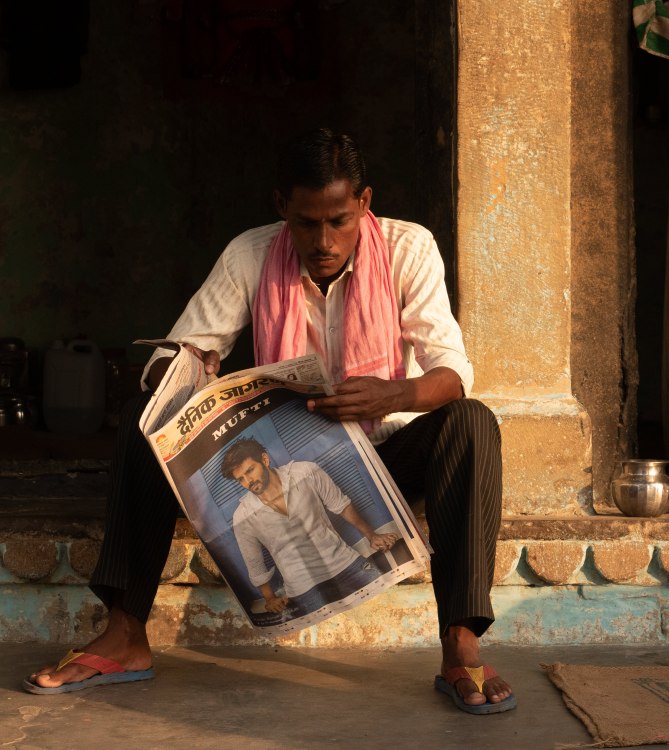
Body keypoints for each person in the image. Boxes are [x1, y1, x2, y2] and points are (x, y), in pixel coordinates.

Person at [24, 129, 515, 714]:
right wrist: (188, 374)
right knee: (142, 420)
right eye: (308, 223)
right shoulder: (250, 254)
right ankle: (126, 634)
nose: (324, 241)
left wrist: (391, 395)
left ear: (364, 202)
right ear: (282, 206)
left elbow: (452, 374)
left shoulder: (409, 248)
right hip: (273, 468)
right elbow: (171, 356)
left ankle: (460, 641)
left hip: (380, 464)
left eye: (339, 220)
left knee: (472, 421)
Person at [222, 437, 396, 614]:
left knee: (389, 608)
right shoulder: (242, 516)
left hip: (345, 563)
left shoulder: (305, 471)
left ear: (265, 460)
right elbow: (255, 564)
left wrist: (371, 535)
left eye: (250, 470)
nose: (248, 481)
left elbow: (341, 505)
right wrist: (269, 598)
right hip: (302, 588)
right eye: (241, 479)